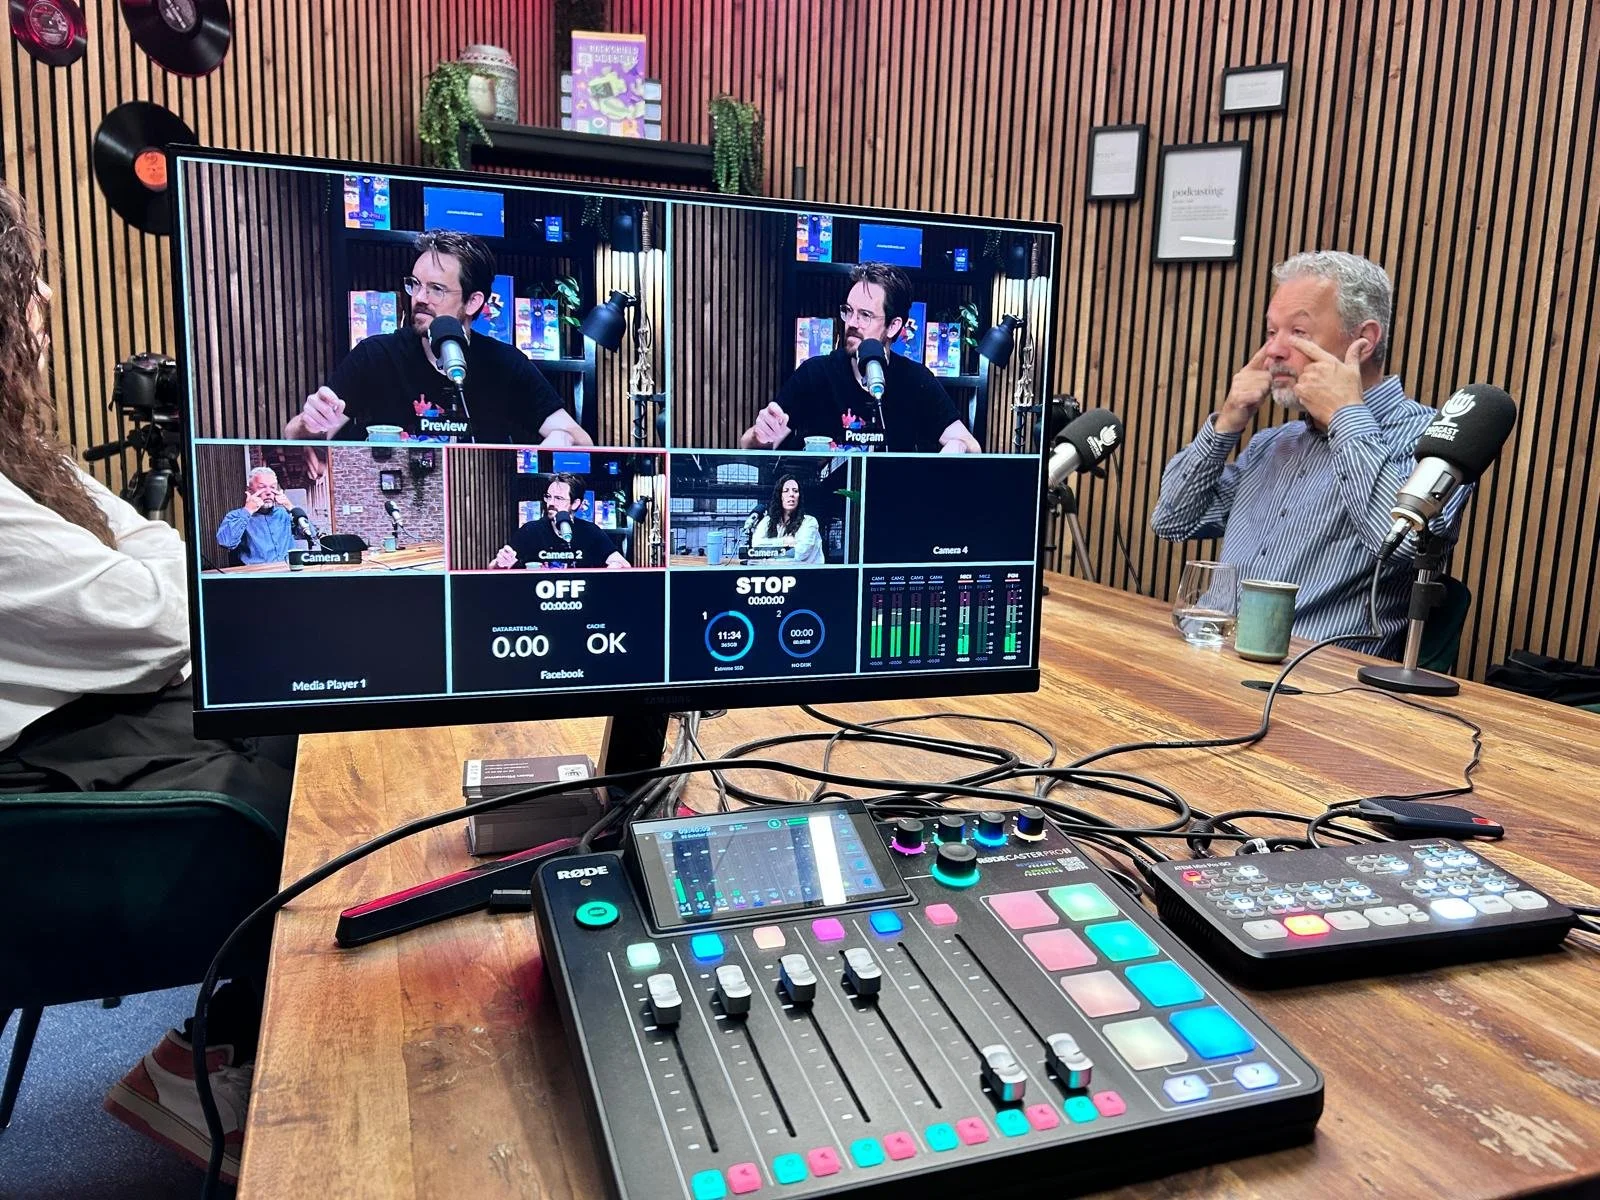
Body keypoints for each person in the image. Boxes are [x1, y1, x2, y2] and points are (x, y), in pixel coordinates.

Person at [0, 183, 294, 1184]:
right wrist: (163, 556)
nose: (43, 303)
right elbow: (169, 614)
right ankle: (227, 1053)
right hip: (37, 806)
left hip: (74, 729)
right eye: (29, 286)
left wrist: (159, 559)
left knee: (277, 706)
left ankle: (209, 1044)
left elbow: (150, 567)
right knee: (298, 778)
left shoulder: (18, 459)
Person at [1150, 250, 1472, 659]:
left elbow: (1404, 544)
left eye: (1298, 333)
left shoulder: (1431, 441)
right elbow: (1172, 521)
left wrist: (1345, 416)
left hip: (1318, 689)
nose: (1274, 352)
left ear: (1364, 340)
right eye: (1271, 332)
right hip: (1212, 656)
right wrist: (1226, 423)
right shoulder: (1274, 443)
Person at [284, 230, 593, 446]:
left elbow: (580, 439)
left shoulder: (505, 364)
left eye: (436, 289)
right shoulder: (375, 356)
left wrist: (560, 439)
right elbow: (298, 440)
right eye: (415, 284)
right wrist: (308, 425)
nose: (419, 297)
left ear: (473, 302)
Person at [741, 262, 981, 454]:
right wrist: (760, 436)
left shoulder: (915, 380)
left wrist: (956, 447)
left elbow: (970, 446)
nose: (852, 323)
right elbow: (751, 446)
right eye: (848, 311)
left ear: (893, 325)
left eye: (865, 315)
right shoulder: (814, 373)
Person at [488, 473, 630, 569]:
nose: (551, 502)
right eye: (548, 497)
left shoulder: (590, 531)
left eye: (559, 498)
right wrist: (500, 563)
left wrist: (614, 566)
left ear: (575, 504)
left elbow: (624, 565)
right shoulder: (530, 530)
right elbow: (492, 567)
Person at [214, 466, 296, 565]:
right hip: (255, 575)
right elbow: (226, 542)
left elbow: (312, 536)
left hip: (287, 573)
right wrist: (247, 511)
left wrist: (291, 507)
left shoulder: (284, 514)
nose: (269, 492)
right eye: (262, 487)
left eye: (273, 487)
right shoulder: (235, 516)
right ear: (249, 490)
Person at [747, 473, 824, 563]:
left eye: (795, 491)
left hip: (807, 575)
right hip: (777, 575)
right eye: (786, 490)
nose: (791, 494)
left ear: (799, 496)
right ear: (779, 496)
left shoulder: (809, 522)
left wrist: (768, 558)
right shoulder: (767, 521)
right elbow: (756, 546)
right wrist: (784, 541)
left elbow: (799, 553)